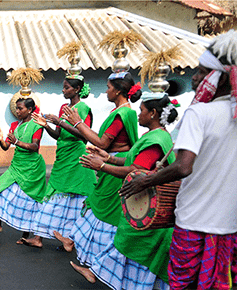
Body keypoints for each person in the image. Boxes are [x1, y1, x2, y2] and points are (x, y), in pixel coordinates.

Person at [120, 30, 237, 290]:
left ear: (219, 78)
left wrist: (145, 181)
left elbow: (184, 166)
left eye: (201, 71)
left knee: (182, 283)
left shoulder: (199, 113)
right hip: (229, 225)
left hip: (193, 221)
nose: (194, 78)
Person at [72, 92, 178, 289]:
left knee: (131, 244)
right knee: (125, 241)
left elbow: (134, 171)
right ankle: (97, 271)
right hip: (143, 204)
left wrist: (101, 167)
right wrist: (108, 158)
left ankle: (97, 271)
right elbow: (133, 161)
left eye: (142, 111)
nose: (138, 115)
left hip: (150, 210)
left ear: (153, 113)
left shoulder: (156, 140)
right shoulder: (154, 136)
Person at [61, 71, 140, 266]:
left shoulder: (123, 113)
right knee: (95, 204)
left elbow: (103, 142)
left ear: (119, 91)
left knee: (104, 210)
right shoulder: (118, 112)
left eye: (108, 88)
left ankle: (103, 261)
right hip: (110, 160)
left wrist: (78, 123)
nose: (106, 91)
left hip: (115, 165)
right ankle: (74, 242)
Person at [22, 75, 96, 249]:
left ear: (77, 89)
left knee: (68, 198)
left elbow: (84, 135)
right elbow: (58, 135)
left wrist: (60, 123)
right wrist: (46, 125)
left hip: (75, 156)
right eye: (63, 87)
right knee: (56, 197)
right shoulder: (64, 107)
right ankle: (43, 237)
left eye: (67, 87)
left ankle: (60, 238)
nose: (63, 90)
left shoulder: (83, 107)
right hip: (62, 156)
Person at [0, 98, 46, 243]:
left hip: (32, 167)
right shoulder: (14, 126)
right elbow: (6, 146)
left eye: (20, 109)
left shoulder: (37, 124)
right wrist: (0, 139)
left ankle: (28, 235)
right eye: (16, 108)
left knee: (30, 201)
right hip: (17, 165)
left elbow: (35, 147)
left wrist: (17, 142)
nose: (17, 111)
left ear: (30, 110)